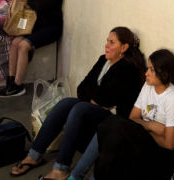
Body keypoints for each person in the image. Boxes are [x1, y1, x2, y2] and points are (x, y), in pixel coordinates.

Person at [10, 27, 145, 179]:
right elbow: (82, 89)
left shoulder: (127, 69)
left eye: (112, 42)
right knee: (66, 103)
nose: (106, 45)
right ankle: (34, 155)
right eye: (107, 41)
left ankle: (61, 168)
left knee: (80, 108)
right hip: (99, 109)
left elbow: (107, 98)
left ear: (124, 47)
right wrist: (96, 98)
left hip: (114, 118)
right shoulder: (103, 60)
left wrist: (96, 97)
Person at [89, 49, 174, 180]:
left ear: (163, 73)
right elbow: (133, 118)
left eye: (151, 70)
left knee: (116, 131)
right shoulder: (148, 87)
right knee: (111, 128)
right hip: (148, 141)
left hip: (167, 157)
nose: (146, 73)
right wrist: (151, 126)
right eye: (148, 68)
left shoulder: (173, 97)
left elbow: (169, 144)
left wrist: (140, 131)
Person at [0, 0, 64, 97]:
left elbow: (40, 5)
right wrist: (32, 0)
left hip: (51, 28)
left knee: (23, 46)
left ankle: (18, 85)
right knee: (15, 42)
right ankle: (10, 80)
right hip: (39, 26)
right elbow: (36, 4)